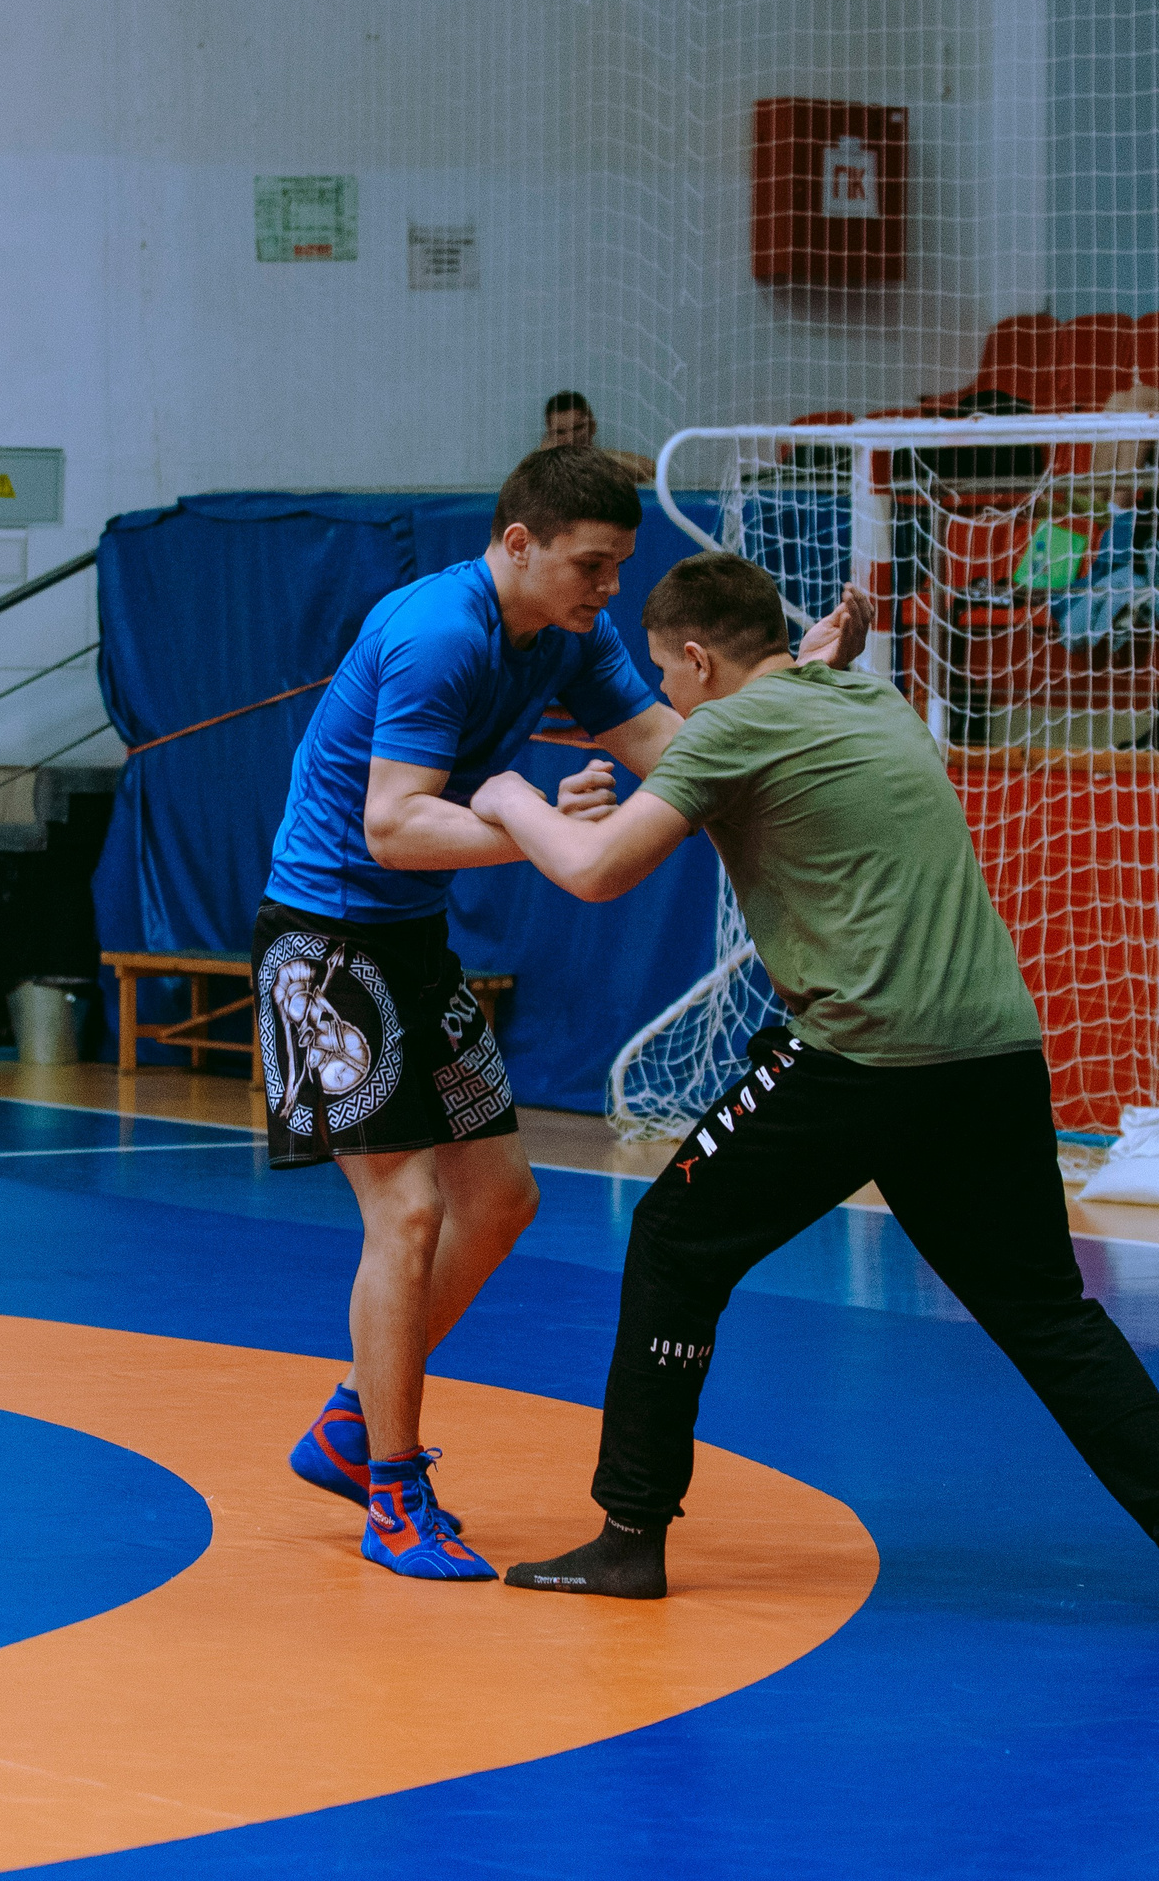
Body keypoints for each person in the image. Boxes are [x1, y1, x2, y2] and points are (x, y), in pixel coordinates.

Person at [467, 551, 1159, 1624]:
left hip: (860, 1055)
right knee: (1047, 1314)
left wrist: (506, 797)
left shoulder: (723, 728)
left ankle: (629, 1537)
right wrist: (820, 652)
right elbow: (786, 692)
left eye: (669, 675)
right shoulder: (870, 696)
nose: (667, 698)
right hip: (991, 1051)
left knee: (675, 1240)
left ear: (701, 662)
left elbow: (595, 870)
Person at [264, 446, 865, 1582]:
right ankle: (392, 1492)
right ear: (517, 546)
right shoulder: (437, 632)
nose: (606, 591)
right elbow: (392, 826)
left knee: (499, 1200)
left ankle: (349, 1424)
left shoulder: (572, 636)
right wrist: (540, 826)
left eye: (619, 569)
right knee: (406, 1214)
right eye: (590, 566)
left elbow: (673, 753)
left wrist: (798, 691)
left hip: (408, 938)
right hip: (326, 941)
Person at [542, 390, 656, 482]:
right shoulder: (539, 468)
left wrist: (590, 457)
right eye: (560, 432)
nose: (571, 439)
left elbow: (652, 470)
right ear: (549, 435)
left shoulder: (605, 459)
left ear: (592, 427)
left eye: (578, 428)